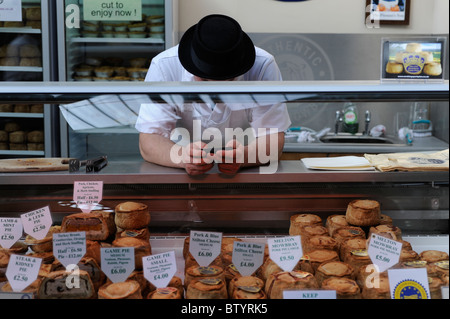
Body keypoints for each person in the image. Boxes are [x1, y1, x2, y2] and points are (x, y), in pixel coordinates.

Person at [135, 14, 291, 175]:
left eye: (228, 80)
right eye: (203, 80)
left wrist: (244, 156)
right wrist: (182, 157)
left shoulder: (263, 66)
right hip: (179, 173)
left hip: (246, 174)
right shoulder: (165, 66)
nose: (214, 91)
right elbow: (149, 141)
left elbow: (273, 139)